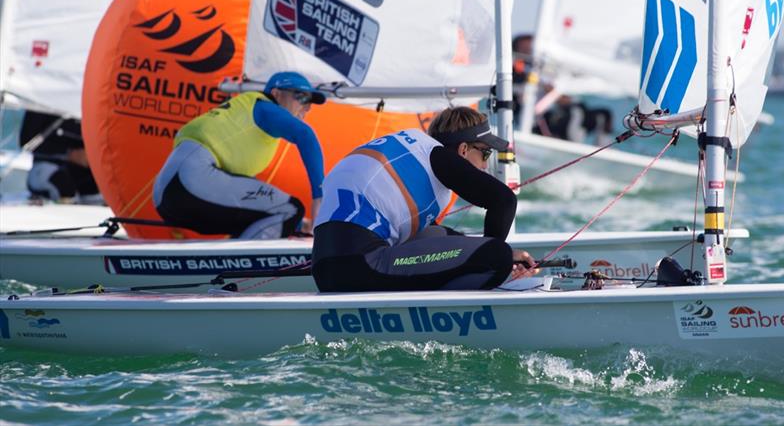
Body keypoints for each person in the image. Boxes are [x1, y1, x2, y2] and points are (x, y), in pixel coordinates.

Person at [311, 106, 537, 292]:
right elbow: (504, 200)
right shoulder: (437, 156)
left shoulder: (409, 148)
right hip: (364, 266)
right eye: (485, 153)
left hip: (324, 269)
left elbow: (430, 240)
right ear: (464, 149)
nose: (486, 165)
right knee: (494, 255)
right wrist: (502, 257)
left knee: (441, 234)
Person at [152, 71, 326, 239]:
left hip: (169, 193)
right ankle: (244, 265)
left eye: (310, 102)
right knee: (292, 208)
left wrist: (296, 225)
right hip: (188, 183)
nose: (307, 107)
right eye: (302, 97)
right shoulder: (264, 107)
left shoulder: (249, 123)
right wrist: (319, 197)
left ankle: (224, 265)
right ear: (276, 93)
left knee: (271, 214)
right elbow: (306, 135)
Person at [19, 110, 102, 203]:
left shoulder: (89, 105)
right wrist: (69, 154)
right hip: (45, 168)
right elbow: (27, 142)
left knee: (101, 194)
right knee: (66, 189)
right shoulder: (40, 101)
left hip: (82, 173)